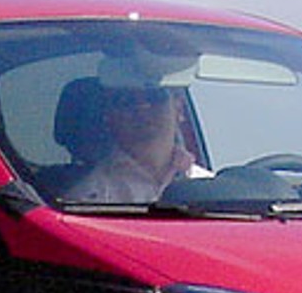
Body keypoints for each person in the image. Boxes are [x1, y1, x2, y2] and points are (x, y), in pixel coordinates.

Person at [64, 54, 206, 203]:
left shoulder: (217, 191)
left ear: (179, 109)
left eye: (154, 96)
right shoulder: (85, 200)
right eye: (127, 100)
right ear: (109, 116)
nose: (142, 108)